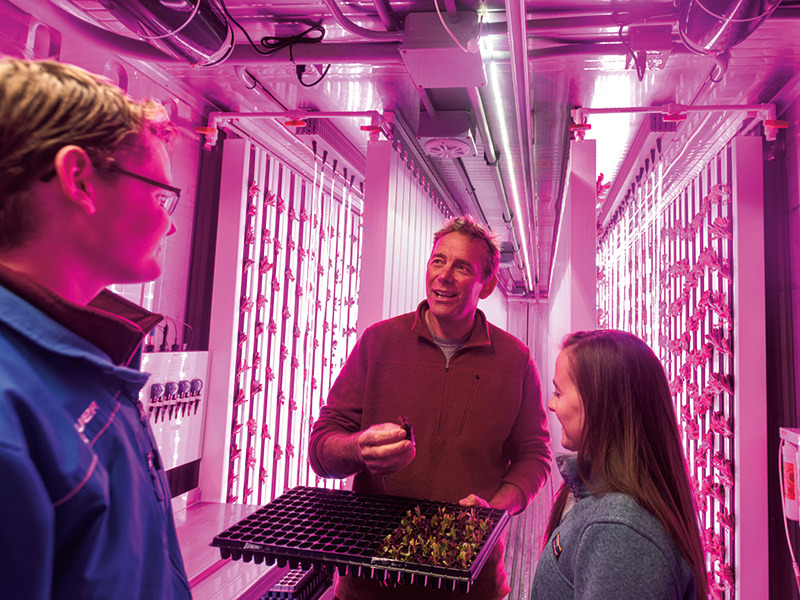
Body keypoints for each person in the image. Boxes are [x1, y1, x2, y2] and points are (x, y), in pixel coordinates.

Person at [0, 59, 190, 599]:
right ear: (79, 179)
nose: (170, 221)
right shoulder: (12, 413)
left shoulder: (84, 362)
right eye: (160, 195)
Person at [309, 215, 552, 600]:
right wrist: (359, 448)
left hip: (471, 585)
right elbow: (321, 448)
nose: (444, 275)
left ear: (486, 285)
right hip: (372, 582)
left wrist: (494, 510)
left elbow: (535, 455)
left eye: (462, 267)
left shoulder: (515, 360)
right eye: (438, 261)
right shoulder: (379, 343)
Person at [531, 330, 708, 600]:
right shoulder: (599, 499)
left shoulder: (621, 531)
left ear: (599, 402)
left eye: (558, 392)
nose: (551, 404)